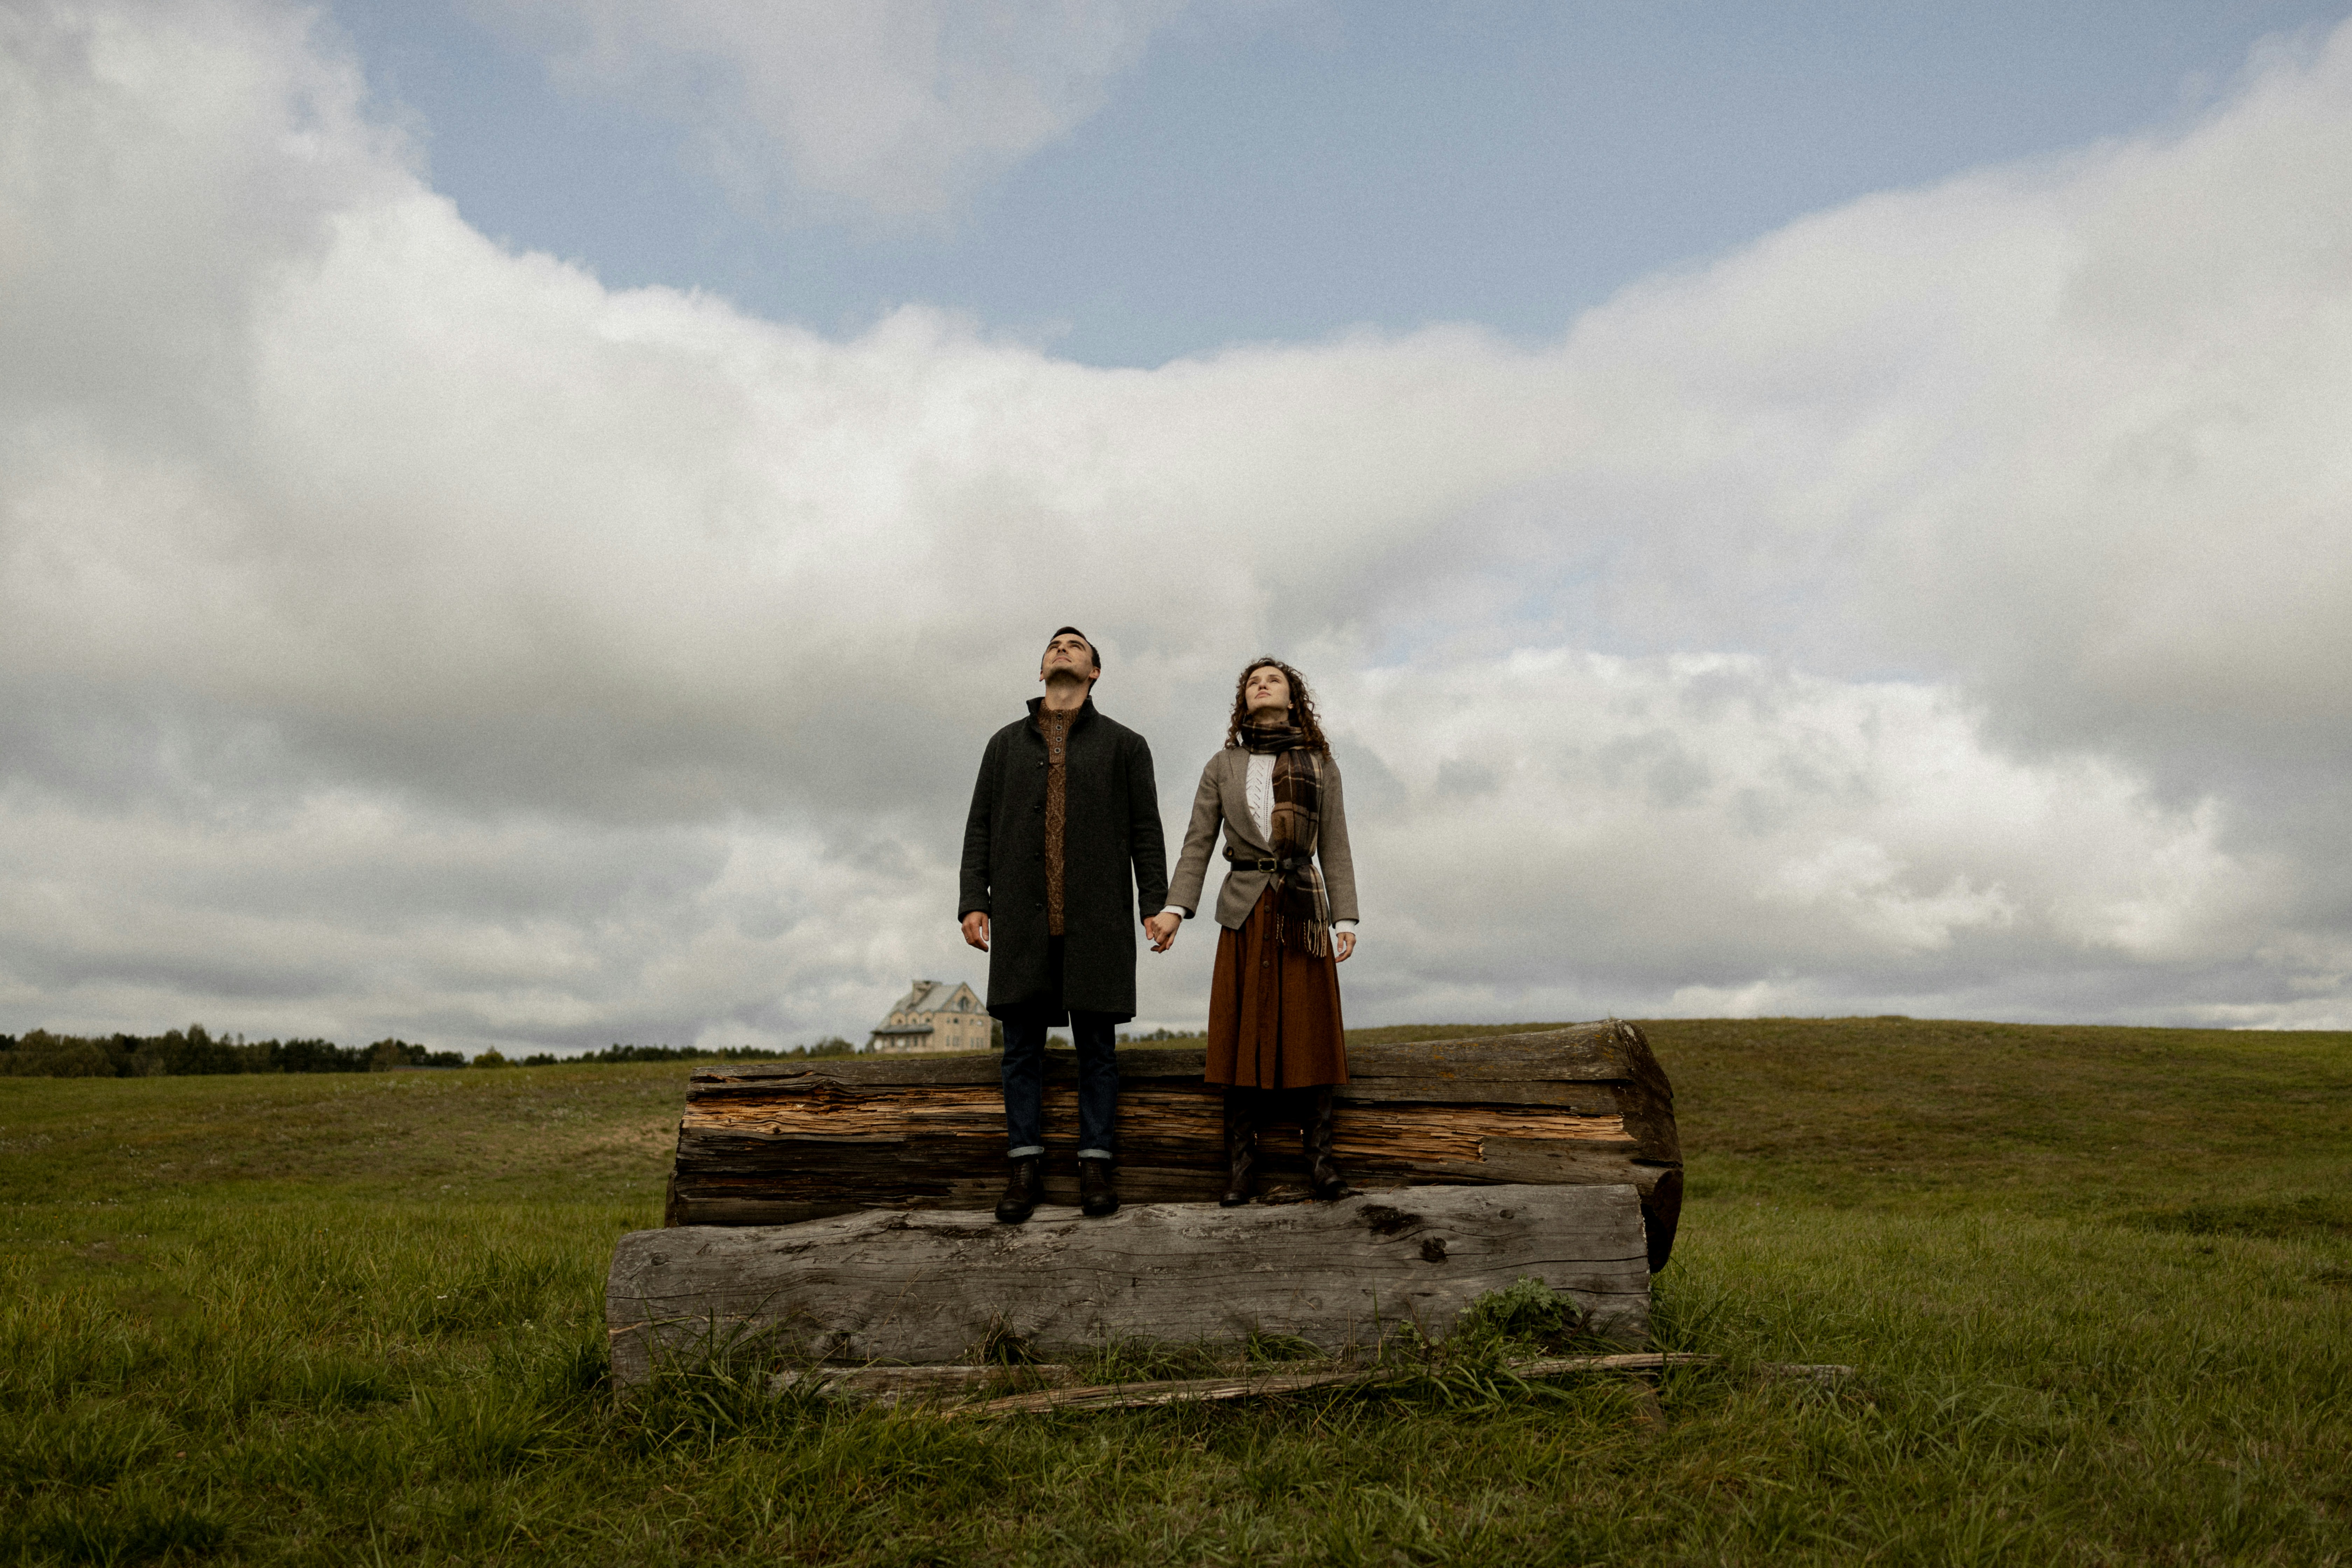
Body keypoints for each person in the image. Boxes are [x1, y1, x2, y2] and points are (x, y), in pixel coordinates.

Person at [961, 627, 1174, 1224]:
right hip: (1023, 923)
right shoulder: (1003, 746)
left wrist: (1154, 905)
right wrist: (973, 901)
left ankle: (1095, 1166)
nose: (1062, 649)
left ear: (1095, 673)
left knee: (1098, 1051)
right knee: (1021, 1050)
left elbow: (1146, 833)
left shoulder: (1126, 746)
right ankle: (1024, 1168)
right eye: (1054, 645)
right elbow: (979, 826)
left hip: (1098, 919)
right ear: (1040, 673)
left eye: (1076, 646)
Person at [1163, 657, 1359, 1204]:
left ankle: (1321, 1165)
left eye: (1273, 680)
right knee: (1239, 1037)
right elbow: (1198, 842)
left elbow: (1335, 845)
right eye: (1253, 682)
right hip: (1244, 910)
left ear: (1294, 698)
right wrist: (1176, 909)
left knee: (1311, 1034)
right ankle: (1242, 1171)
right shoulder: (1222, 766)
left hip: (1304, 910)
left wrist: (1344, 918)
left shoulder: (1321, 765)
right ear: (1243, 701)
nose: (1262, 685)